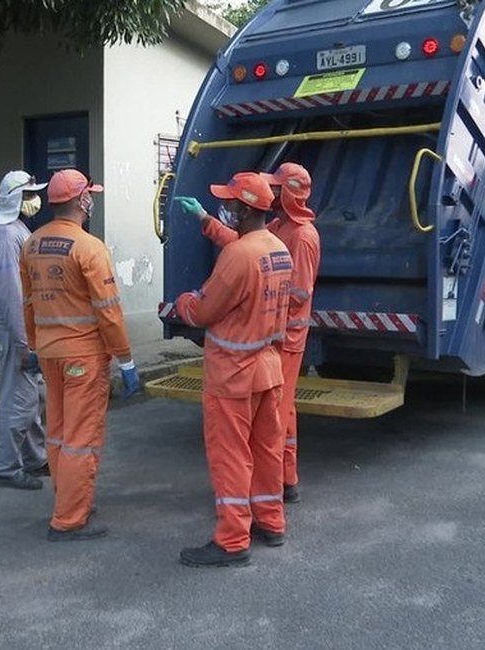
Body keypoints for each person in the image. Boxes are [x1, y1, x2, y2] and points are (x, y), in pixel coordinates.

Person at [171, 172, 292, 568]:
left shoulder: (238, 255)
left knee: (231, 456)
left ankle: (232, 540)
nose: (228, 207)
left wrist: (184, 302)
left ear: (243, 209)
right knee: (266, 450)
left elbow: (205, 310)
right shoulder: (277, 248)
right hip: (268, 369)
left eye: (230, 203)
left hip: (233, 375)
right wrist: (207, 220)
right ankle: (270, 521)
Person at [20, 169, 142, 542]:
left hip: (51, 353)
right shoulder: (90, 248)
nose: (91, 200)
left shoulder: (32, 244)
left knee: (57, 434)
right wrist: (126, 360)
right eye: (89, 195)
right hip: (84, 357)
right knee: (80, 438)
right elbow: (109, 311)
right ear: (81, 201)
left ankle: (68, 502)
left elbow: (28, 303)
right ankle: (70, 519)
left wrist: (35, 345)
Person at [191, 162, 320, 504]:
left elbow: (298, 293)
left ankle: (274, 489)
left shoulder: (303, 236)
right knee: (275, 419)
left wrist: (254, 304)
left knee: (271, 421)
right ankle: (278, 489)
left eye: (278, 187)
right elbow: (245, 247)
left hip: (281, 338)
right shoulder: (277, 229)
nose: (273, 191)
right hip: (269, 341)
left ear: (290, 192)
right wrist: (208, 222)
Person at [0, 170, 50, 491]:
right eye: (28, 195)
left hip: (17, 328)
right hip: (11, 330)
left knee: (32, 394)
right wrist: (24, 342)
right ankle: (7, 469)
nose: (34, 200)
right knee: (19, 399)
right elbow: (12, 296)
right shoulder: (7, 238)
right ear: (15, 200)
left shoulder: (13, 229)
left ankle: (35, 459)